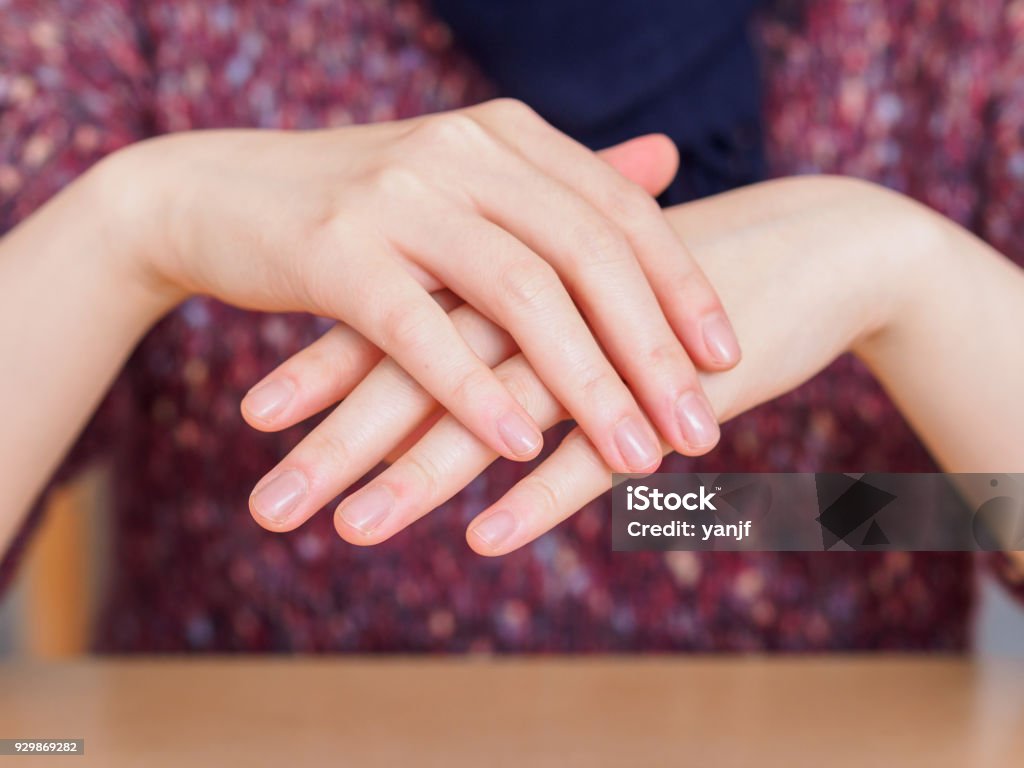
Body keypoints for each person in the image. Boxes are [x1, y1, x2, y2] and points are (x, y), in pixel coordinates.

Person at [0, 0, 1021, 653]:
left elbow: (984, 513)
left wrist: (907, 274)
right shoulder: (126, 21)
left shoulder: (955, 30)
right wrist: (125, 223)